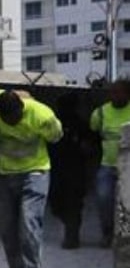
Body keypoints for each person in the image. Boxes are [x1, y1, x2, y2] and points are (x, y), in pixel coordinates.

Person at [0, 89, 63, 268]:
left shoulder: (42, 115)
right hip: (5, 174)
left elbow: (57, 137)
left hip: (35, 172)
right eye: (6, 119)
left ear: (22, 108)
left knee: (28, 223)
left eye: (15, 117)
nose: (11, 122)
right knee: (6, 227)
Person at [49, 93, 97, 249]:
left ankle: (72, 235)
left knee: (74, 203)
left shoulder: (81, 124)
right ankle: (70, 227)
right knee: (56, 202)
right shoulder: (53, 122)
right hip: (56, 167)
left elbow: (91, 146)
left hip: (75, 168)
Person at [90, 80, 130, 248]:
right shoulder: (100, 113)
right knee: (103, 196)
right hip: (108, 164)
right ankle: (107, 231)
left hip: (128, 167)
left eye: (119, 92)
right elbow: (93, 134)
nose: (115, 96)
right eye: (112, 92)